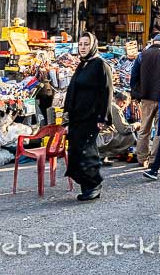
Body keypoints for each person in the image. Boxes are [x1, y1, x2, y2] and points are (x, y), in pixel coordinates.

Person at [64, 31, 114, 202]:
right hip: (77, 117)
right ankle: (86, 185)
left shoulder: (101, 65)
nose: (83, 47)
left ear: (93, 45)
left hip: (91, 117)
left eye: (86, 44)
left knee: (87, 152)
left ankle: (94, 185)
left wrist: (102, 118)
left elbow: (107, 93)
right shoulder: (82, 65)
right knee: (76, 152)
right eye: (81, 44)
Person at [134, 34, 160, 169]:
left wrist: (138, 94)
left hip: (145, 98)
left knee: (144, 129)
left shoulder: (141, 55)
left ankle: (141, 159)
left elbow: (133, 77)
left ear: (153, 42)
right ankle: (154, 159)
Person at [98, 91, 140, 162]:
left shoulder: (109, 104)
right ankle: (113, 153)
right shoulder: (115, 108)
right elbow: (123, 129)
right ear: (122, 102)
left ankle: (109, 154)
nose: (124, 108)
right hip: (100, 139)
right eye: (125, 105)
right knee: (130, 135)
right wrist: (136, 124)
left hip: (96, 138)